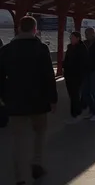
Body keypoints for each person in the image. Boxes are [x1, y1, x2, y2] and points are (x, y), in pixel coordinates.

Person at [0, 16, 57, 184]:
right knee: (39, 133)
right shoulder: (41, 49)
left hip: (15, 102)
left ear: (18, 28)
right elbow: (49, 76)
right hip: (39, 101)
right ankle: (37, 163)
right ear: (35, 29)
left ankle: (20, 177)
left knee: (18, 140)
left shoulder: (7, 50)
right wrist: (52, 99)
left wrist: (4, 97)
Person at [63, 31, 87, 123]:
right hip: (69, 75)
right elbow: (67, 60)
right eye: (70, 38)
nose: (71, 39)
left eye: (73, 38)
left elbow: (83, 62)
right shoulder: (70, 47)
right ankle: (76, 112)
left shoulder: (81, 48)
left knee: (75, 94)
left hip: (77, 75)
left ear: (78, 38)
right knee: (72, 94)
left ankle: (76, 113)